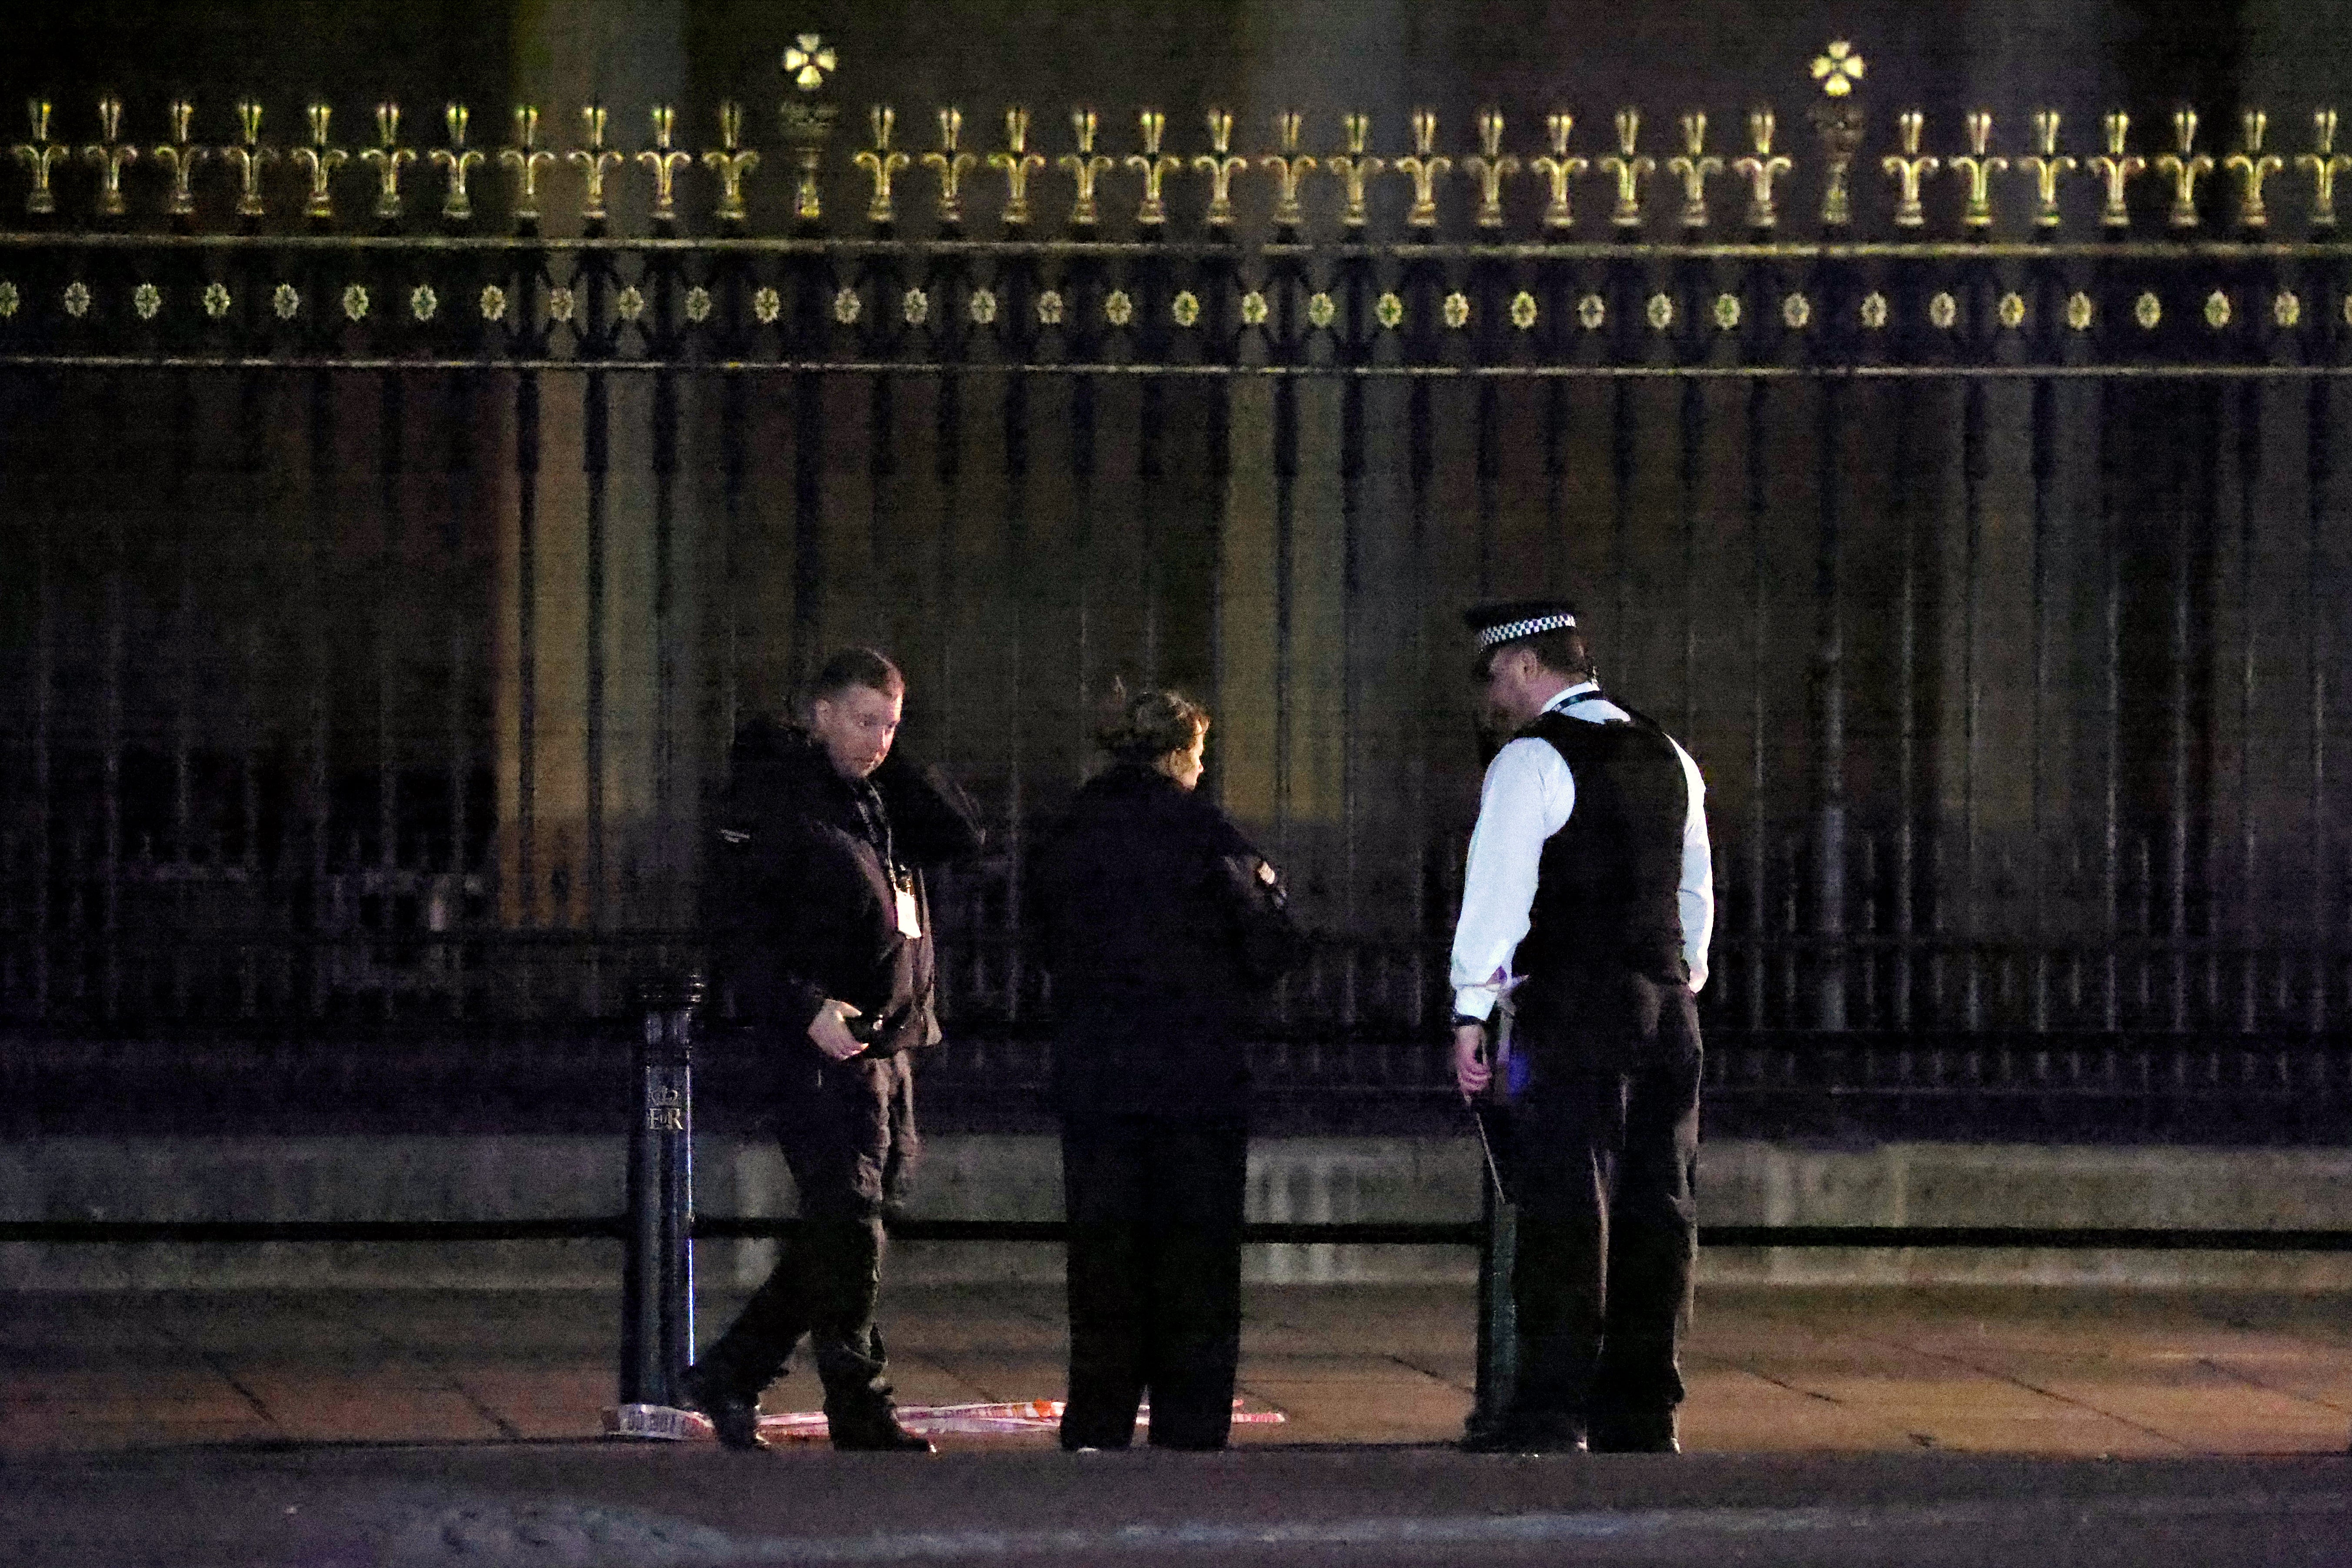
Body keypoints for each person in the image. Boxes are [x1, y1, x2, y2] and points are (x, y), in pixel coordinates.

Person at [683, 646, 982, 1452]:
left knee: (854, 1222)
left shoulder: (876, 797)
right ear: (817, 714)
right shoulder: (781, 799)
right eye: (862, 719)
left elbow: (961, 833)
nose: (880, 738)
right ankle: (858, 1400)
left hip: (889, 1039)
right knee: (847, 1221)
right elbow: (736, 926)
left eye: (891, 723)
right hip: (824, 1046)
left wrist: (886, 757)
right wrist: (802, 1004)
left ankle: (733, 1371)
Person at [1449, 601, 1714, 1456]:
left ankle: (1550, 1406)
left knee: (1562, 1203)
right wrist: (1681, 974)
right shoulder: (1669, 754)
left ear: (1527, 666)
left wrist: (1471, 1011)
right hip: (1666, 1003)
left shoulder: (1531, 761)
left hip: (1571, 1003)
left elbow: (1497, 898)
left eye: (1492, 675)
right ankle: (1643, 1406)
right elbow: (1694, 894)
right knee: (1658, 1204)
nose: (1489, 695)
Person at [1034, 688, 1304, 1452]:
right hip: (1195, 1075)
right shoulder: (1204, 831)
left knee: (1106, 1256)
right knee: (1196, 1259)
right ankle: (1189, 1421)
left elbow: (1045, 940)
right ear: (1182, 753)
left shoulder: (1072, 830)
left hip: (1097, 1071)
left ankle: (1099, 1418)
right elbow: (1271, 946)